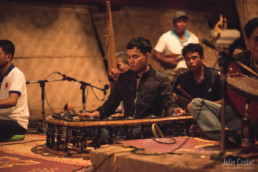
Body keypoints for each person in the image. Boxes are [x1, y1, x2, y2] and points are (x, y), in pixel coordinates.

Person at [80, 37, 183, 140]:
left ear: (147, 56)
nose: (131, 61)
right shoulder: (124, 78)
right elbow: (110, 104)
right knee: (88, 126)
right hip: (126, 127)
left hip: (147, 129)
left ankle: (118, 139)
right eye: (129, 57)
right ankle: (118, 138)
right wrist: (94, 114)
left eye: (135, 57)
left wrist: (175, 111)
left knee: (143, 131)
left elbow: (169, 106)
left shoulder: (161, 80)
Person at [186, 17, 258, 142]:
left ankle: (226, 132)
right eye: (257, 40)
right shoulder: (239, 61)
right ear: (246, 40)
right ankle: (225, 136)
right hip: (239, 113)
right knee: (196, 104)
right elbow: (231, 99)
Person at [154, 11, 199, 83]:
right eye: (179, 21)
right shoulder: (166, 36)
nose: (182, 24)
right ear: (174, 23)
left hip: (189, 70)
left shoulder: (193, 38)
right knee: (159, 80)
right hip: (171, 71)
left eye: (184, 21)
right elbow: (156, 54)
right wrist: (165, 60)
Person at [172, 43, 221, 110]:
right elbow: (174, 99)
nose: (191, 61)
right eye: (187, 59)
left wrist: (203, 107)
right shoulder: (182, 78)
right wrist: (176, 99)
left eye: (194, 58)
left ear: (202, 58)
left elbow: (226, 102)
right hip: (191, 116)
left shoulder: (216, 76)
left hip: (215, 112)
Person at [0, 40, 30, 142]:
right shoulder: (2, 76)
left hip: (16, 124)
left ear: (8, 57)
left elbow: (12, 101)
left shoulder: (16, 74)